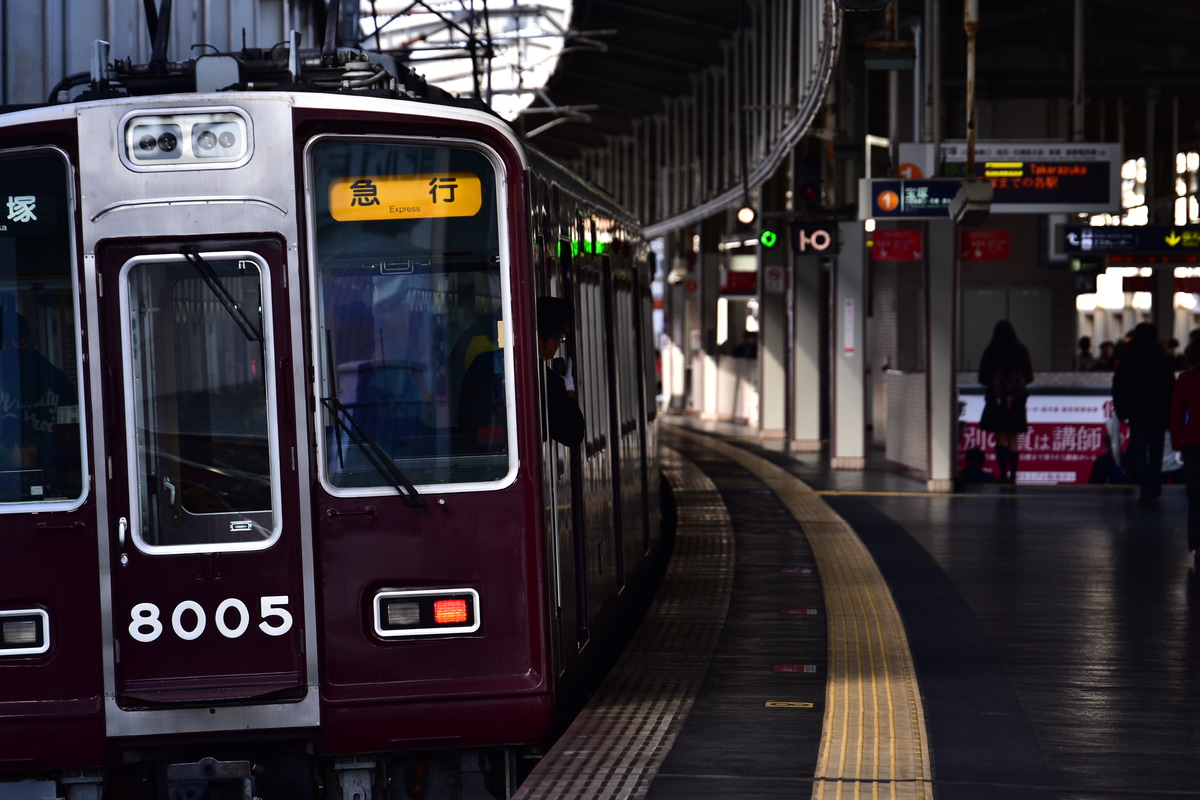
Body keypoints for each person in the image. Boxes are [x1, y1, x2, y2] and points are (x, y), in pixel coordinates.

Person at [1112, 322, 1176, 505]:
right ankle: (1155, 485)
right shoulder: (1162, 358)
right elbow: (1170, 386)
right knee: (1157, 451)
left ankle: (1145, 487)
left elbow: (1119, 385)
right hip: (1158, 411)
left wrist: (1121, 410)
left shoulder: (1129, 357)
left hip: (1137, 411)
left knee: (1139, 452)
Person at [977, 320, 1034, 484]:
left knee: (1000, 438)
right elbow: (1029, 377)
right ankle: (1014, 475)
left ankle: (1003, 474)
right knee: (1013, 438)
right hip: (1016, 402)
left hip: (997, 401)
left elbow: (982, 377)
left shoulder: (991, 351)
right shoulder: (1022, 351)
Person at [537, 296, 585, 447]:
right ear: (549, 342)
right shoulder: (546, 381)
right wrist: (569, 391)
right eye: (561, 339)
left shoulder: (483, 362)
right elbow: (573, 434)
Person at [1171, 338, 1200, 558]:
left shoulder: (1186, 379)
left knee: (1195, 495)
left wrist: (1176, 441)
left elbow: (1177, 415)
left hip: (1193, 442)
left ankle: (1197, 543)